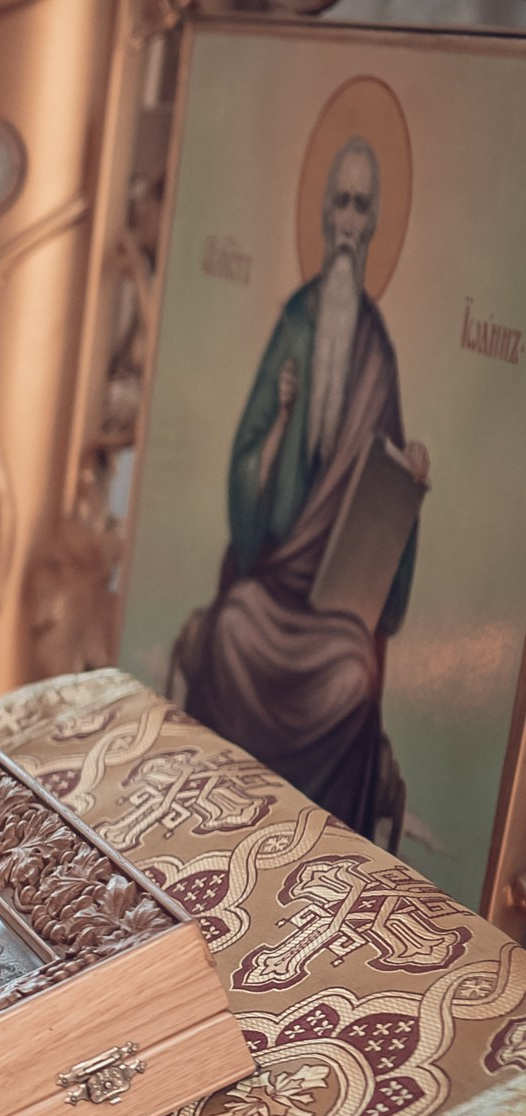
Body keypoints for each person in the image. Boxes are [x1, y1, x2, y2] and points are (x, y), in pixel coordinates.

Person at [173, 134, 428, 842]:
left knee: (352, 678)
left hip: (335, 609)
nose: (348, 221)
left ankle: (312, 853)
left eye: (361, 206)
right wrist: (282, 423)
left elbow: (389, 483)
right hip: (273, 579)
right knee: (230, 630)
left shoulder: (377, 349)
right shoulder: (295, 321)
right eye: (339, 203)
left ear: (375, 223)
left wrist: (411, 477)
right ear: (322, 216)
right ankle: (212, 825)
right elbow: (245, 455)